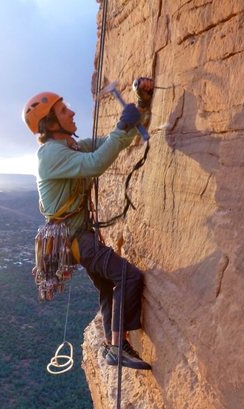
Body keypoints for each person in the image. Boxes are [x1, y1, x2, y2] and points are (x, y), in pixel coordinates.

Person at [22, 78, 154, 370]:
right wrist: (121, 128)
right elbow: (96, 162)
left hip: (75, 238)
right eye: (64, 110)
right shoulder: (52, 156)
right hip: (74, 239)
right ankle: (117, 347)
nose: (72, 113)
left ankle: (113, 345)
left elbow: (115, 142)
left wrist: (140, 105)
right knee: (128, 277)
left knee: (108, 286)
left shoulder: (69, 147)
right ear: (50, 123)